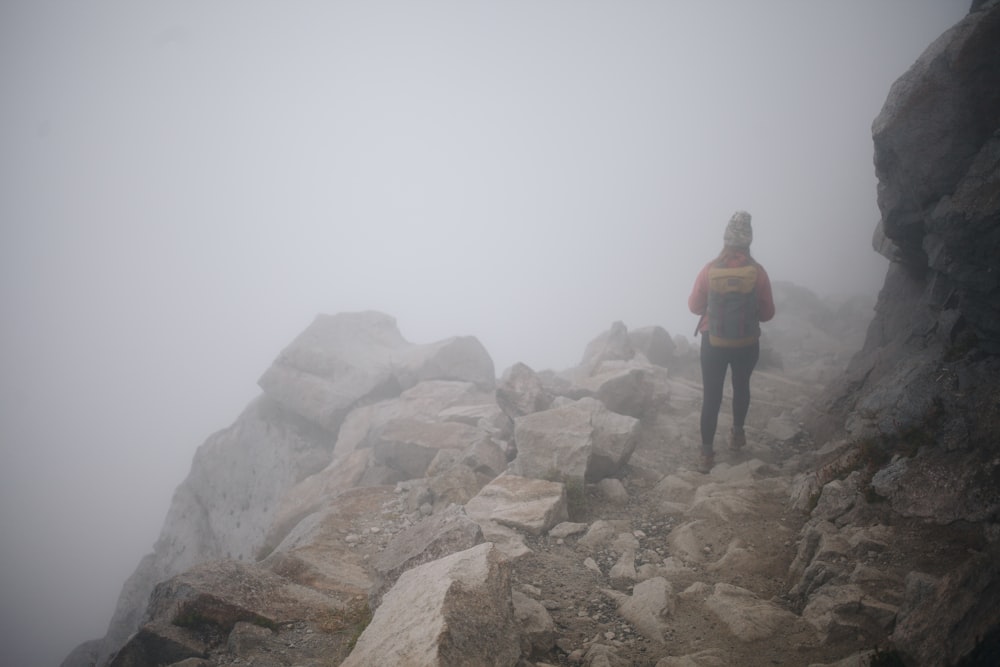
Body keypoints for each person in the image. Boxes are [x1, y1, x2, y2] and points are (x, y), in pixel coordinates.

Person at [688, 210, 775, 473]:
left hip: (712, 341)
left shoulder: (709, 270)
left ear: (725, 240)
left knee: (711, 395)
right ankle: (737, 436)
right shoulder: (757, 273)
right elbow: (769, 313)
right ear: (749, 242)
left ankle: (706, 454)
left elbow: (694, 306)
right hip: (746, 342)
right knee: (741, 386)